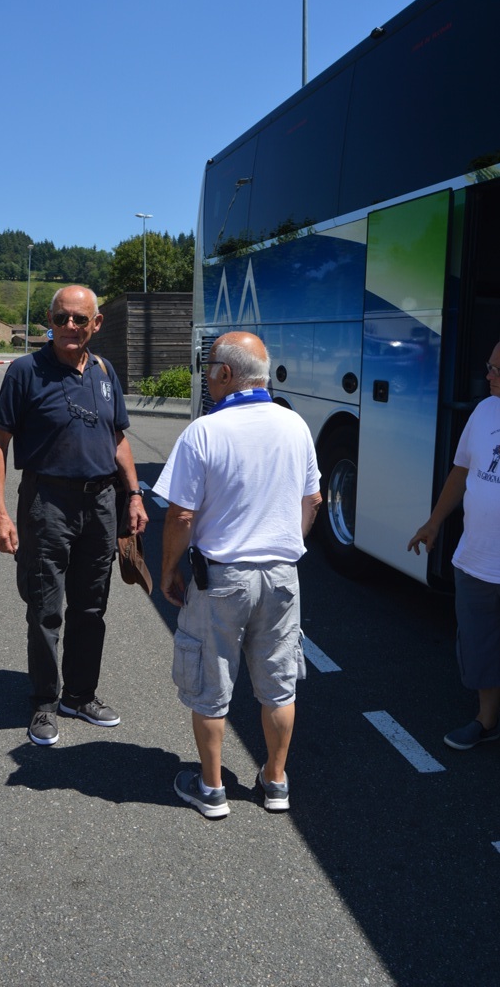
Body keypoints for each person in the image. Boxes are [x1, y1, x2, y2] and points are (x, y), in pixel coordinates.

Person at [154, 332, 322, 818]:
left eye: (209, 369)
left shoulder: (205, 432)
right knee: (279, 685)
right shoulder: (295, 425)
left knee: (211, 684)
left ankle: (211, 789)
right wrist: (287, 544)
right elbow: (312, 501)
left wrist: (168, 568)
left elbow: (181, 516)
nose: (207, 377)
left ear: (225, 374)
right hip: (282, 576)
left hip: (223, 578)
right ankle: (275, 781)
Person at [0, 285, 148, 746]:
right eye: (61, 318)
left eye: (79, 319)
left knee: (91, 606)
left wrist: (134, 495)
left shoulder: (104, 370)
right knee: (45, 607)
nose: (69, 327)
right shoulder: (25, 371)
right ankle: (44, 701)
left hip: (100, 504)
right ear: (49, 321)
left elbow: (118, 439)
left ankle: (80, 694)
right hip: (47, 503)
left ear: (96, 323)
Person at [407, 343, 500, 750]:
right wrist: (434, 522)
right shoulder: (484, 412)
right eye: (489, 366)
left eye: (497, 370)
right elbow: (461, 472)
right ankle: (486, 720)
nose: (488, 376)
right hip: (476, 559)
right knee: (480, 646)